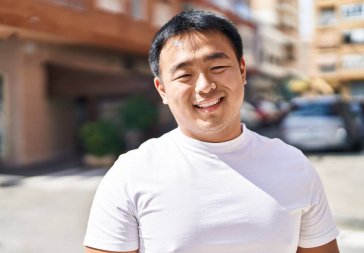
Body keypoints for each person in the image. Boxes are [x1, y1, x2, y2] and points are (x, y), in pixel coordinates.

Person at [84, 10, 340, 253]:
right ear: (162, 89)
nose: (205, 87)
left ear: (242, 71)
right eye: (185, 75)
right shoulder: (131, 173)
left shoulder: (294, 165)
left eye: (217, 68)